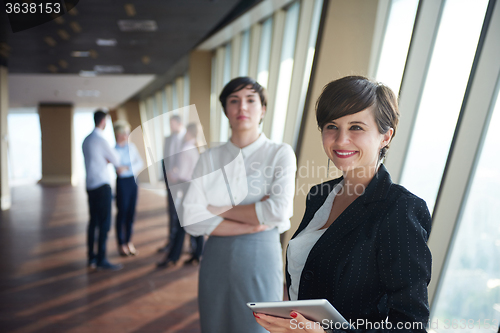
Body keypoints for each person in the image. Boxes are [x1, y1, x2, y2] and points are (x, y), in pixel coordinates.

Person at [253, 76, 432, 333]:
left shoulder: (399, 209)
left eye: (356, 127)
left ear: (385, 136)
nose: (340, 140)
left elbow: (411, 325)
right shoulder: (319, 196)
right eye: (331, 126)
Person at [182, 77, 297, 333]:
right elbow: (190, 216)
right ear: (226, 110)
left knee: (257, 327)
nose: (242, 107)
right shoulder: (210, 158)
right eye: (234, 101)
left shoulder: (279, 153)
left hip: (260, 257)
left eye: (250, 100)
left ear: (263, 109)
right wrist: (253, 223)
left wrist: (216, 209)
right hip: (216, 256)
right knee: (214, 324)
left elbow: (278, 210)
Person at [82, 110, 125, 271]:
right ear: (103, 122)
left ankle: (91, 258)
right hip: (102, 185)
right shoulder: (101, 140)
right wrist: (109, 159)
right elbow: (117, 160)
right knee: (105, 224)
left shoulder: (86, 140)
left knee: (93, 222)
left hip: (90, 185)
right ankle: (101, 259)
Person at [157, 123, 204, 267]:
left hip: (187, 188)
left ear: (188, 132)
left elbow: (182, 173)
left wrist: (172, 175)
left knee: (181, 223)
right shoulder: (197, 148)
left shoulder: (186, 148)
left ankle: (173, 257)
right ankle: (197, 254)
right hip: (194, 189)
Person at [114, 120, 144, 257]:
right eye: (125, 133)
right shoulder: (114, 150)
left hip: (132, 181)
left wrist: (127, 167)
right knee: (122, 213)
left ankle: (129, 241)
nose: (127, 135)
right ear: (119, 134)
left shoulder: (131, 147)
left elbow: (140, 163)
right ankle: (121, 244)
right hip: (122, 183)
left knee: (131, 212)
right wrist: (127, 167)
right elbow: (119, 171)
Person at [158, 115, 186, 253]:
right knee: (172, 211)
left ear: (180, 124)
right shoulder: (168, 139)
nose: (171, 127)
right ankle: (171, 242)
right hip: (171, 181)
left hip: (184, 181)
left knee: (187, 211)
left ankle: (192, 247)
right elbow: (165, 160)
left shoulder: (188, 138)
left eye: (173, 124)